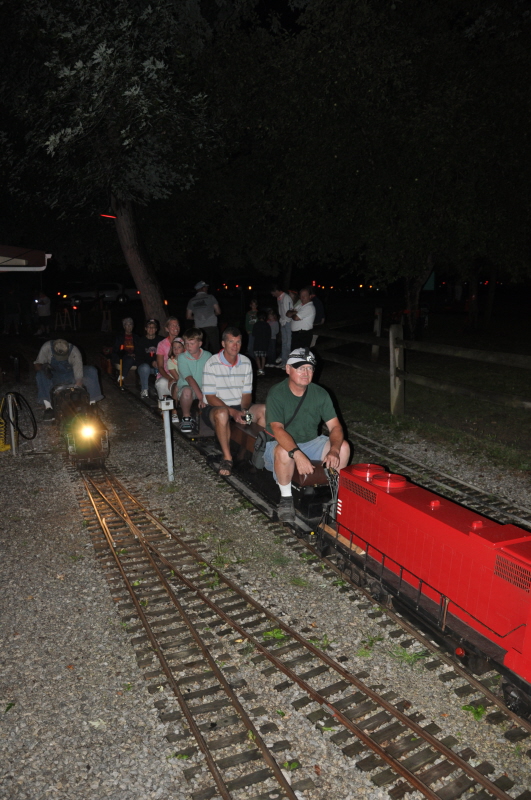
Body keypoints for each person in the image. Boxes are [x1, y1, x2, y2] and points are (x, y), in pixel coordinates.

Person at [264, 347, 350, 524]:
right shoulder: (277, 393)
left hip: (311, 442)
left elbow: (335, 427)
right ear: (288, 369)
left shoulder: (320, 393)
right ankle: (286, 499)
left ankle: (335, 497)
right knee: (283, 451)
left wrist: (334, 450)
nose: (306, 372)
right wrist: (297, 453)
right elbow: (277, 429)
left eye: (309, 368)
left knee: (343, 447)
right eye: (300, 368)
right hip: (280, 444)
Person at [201, 326, 265, 477]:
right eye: (231, 342)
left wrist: (244, 410)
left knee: (263, 410)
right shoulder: (212, 363)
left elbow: (247, 394)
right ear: (223, 343)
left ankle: (248, 454)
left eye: (238, 342)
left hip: (238, 406)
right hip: (215, 407)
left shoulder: (246, 362)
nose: (235, 346)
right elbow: (210, 397)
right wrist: (233, 412)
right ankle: (227, 458)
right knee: (222, 413)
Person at [34, 339, 103, 422]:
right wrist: (43, 367)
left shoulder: (75, 352)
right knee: (40, 374)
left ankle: (92, 404)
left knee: (91, 370)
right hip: (54, 374)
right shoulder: (46, 347)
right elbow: (36, 365)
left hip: (71, 374)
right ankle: (49, 408)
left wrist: (75, 396)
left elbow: (78, 378)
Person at [176, 328, 212, 433]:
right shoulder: (182, 357)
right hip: (187, 387)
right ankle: (186, 417)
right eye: (186, 343)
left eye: (192, 344)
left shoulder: (208, 356)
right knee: (187, 391)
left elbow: (211, 377)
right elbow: (189, 378)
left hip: (204, 388)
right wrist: (201, 397)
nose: (188, 346)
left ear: (200, 343)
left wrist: (206, 394)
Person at [186, 281, 221, 354]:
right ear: (203, 288)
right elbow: (218, 311)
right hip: (211, 326)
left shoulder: (191, 300)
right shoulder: (211, 297)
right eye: (206, 287)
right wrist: (211, 314)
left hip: (199, 328)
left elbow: (188, 316)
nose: (207, 288)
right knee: (216, 348)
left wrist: (197, 317)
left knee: (202, 350)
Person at [155, 316, 181, 399]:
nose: (176, 327)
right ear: (167, 329)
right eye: (172, 325)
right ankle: (164, 405)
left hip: (181, 375)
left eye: (177, 325)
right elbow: (160, 367)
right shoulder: (162, 344)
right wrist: (169, 378)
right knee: (161, 383)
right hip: (166, 375)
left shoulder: (184, 342)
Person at [137, 318, 163, 398]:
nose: (151, 329)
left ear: (156, 329)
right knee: (145, 367)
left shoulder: (161, 340)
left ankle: (162, 391)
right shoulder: (140, 341)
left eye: (153, 327)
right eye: (149, 327)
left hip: (159, 367)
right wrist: (151, 362)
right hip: (145, 368)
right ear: (145, 328)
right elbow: (139, 359)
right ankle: (144, 390)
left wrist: (158, 362)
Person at [111, 317, 142, 384]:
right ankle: (121, 378)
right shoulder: (119, 337)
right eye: (127, 325)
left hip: (135, 358)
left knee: (142, 362)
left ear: (133, 326)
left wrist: (135, 354)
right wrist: (127, 354)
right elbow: (116, 350)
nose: (129, 327)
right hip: (123, 357)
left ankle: (140, 382)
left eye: (130, 324)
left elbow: (140, 349)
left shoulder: (137, 337)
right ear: (124, 326)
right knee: (129, 360)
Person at [270, 286, 293, 368]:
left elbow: (290, 310)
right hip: (283, 322)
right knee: (284, 343)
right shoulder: (279, 298)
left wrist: (286, 320)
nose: (273, 295)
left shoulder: (286, 298)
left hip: (288, 322)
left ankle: (288, 364)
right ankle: (284, 362)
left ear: (276, 290)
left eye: (273, 293)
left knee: (288, 343)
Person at [166, 337, 186, 423]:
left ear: (184, 348)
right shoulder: (171, 361)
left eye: (179, 347)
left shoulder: (188, 359)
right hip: (176, 382)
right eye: (174, 347)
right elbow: (177, 378)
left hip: (186, 381)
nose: (176, 350)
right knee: (177, 386)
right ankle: (174, 412)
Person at [252, 311, 271, 376]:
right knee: (263, 357)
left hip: (257, 343)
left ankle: (259, 369)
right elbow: (269, 335)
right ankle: (262, 369)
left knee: (257, 357)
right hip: (264, 343)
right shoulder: (267, 325)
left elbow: (253, 334)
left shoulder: (256, 324)